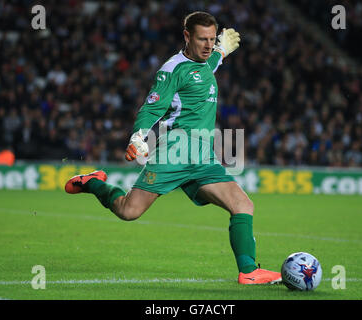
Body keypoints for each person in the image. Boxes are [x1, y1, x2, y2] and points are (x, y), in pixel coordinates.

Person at [65, 11, 281, 285]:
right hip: (175, 153)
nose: (207, 45)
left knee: (242, 204)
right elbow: (151, 107)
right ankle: (94, 182)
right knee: (128, 211)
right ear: (187, 36)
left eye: (212, 39)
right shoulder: (171, 71)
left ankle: (249, 272)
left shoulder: (206, 61)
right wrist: (138, 137)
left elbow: (210, 63)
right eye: (202, 39)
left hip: (203, 157)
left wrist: (222, 51)